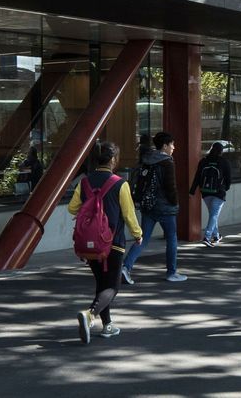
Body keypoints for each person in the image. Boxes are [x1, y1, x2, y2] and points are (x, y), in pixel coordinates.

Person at [69, 139, 140, 343]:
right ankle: (90, 315)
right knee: (113, 286)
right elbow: (128, 214)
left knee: (102, 284)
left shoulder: (84, 182)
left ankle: (107, 325)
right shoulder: (120, 183)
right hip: (113, 243)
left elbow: (72, 208)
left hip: (89, 243)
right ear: (112, 160)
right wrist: (138, 233)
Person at [121, 130, 187, 284]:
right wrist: (175, 203)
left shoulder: (147, 159)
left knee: (142, 239)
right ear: (164, 146)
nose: (173, 147)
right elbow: (170, 187)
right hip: (165, 207)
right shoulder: (167, 162)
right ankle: (171, 272)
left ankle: (126, 267)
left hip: (148, 206)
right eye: (172, 144)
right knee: (171, 238)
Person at [189, 141, 231, 246]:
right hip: (219, 192)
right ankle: (207, 237)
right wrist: (226, 188)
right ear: (221, 151)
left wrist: (192, 191)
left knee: (213, 214)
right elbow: (228, 178)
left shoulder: (203, 161)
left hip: (205, 192)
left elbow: (198, 176)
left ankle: (216, 236)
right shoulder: (224, 162)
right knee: (214, 214)